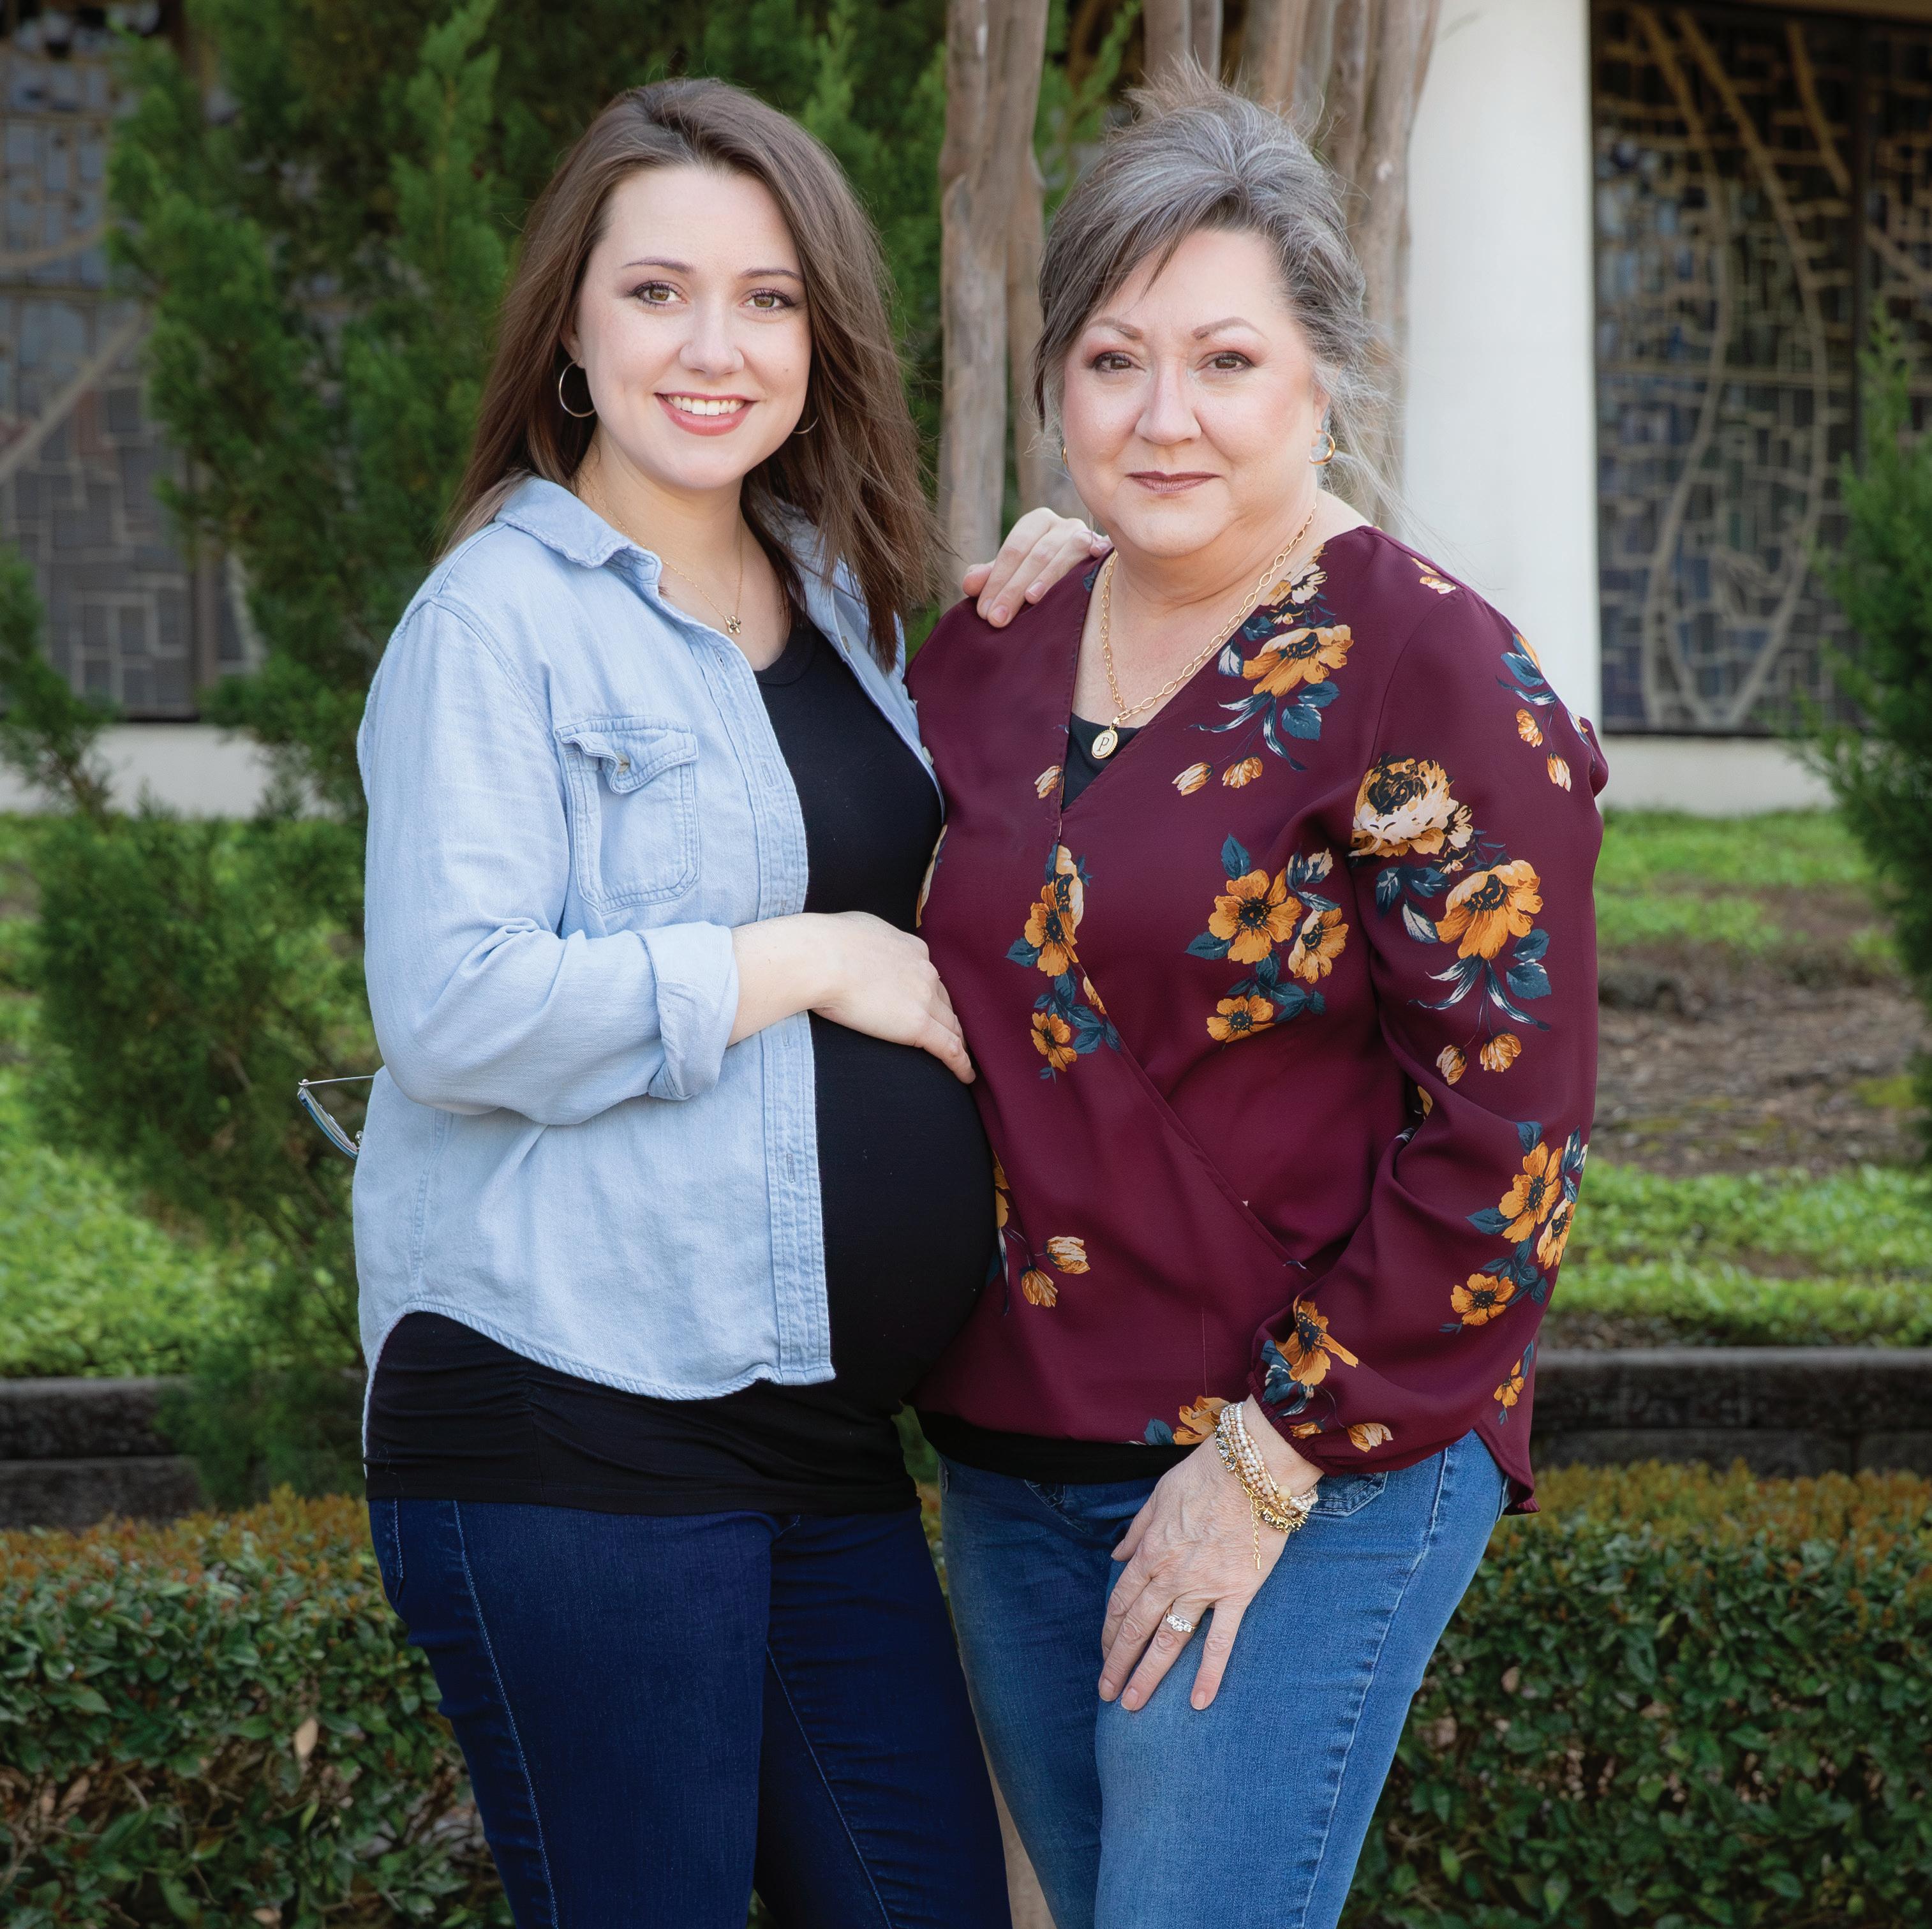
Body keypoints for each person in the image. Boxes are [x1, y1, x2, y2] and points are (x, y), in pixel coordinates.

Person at [353, 78, 1097, 1929]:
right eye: (657, 292)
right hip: (573, 1416)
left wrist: (1081, 591)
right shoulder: (493, 623)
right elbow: (453, 1007)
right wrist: (811, 957)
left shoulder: (841, 597)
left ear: (818, 336)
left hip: (816, 1431)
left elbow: (1013, 848)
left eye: (767, 298)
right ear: (571, 330)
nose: (716, 347)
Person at [907, 70, 1607, 1929]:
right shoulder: (988, 653)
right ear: (1054, 382)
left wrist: (1272, 1458)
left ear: (1322, 381)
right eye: (1112, 360)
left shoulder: (1430, 670)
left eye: (1225, 361)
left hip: (1323, 1441)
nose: (1164, 417)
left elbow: (1511, 1135)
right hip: (1012, 1442)